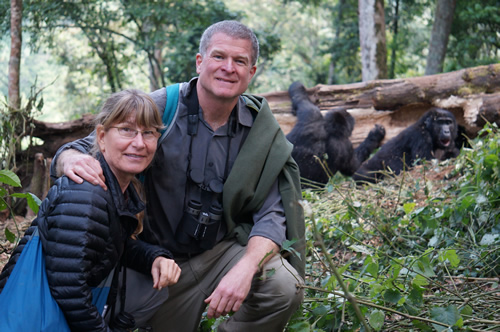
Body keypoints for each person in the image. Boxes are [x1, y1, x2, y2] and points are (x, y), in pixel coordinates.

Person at [50, 20, 305, 331]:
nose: (228, 68)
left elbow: (273, 214)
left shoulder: (261, 131)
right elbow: (89, 145)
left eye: (240, 61)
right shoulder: (163, 106)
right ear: (200, 62)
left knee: (283, 285)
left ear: (251, 72)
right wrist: (68, 159)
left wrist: (246, 268)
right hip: (151, 262)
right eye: (218, 56)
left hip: (219, 253)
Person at [0, 89, 181, 331]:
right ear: (102, 137)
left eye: (148, 133)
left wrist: (154, 257)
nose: (139, 143)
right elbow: (69, 289)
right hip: (30, 319)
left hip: (58, 307)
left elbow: (104, 245)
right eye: (126, 130)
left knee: (153, 289)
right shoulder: (88, 192)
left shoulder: (118, 187)